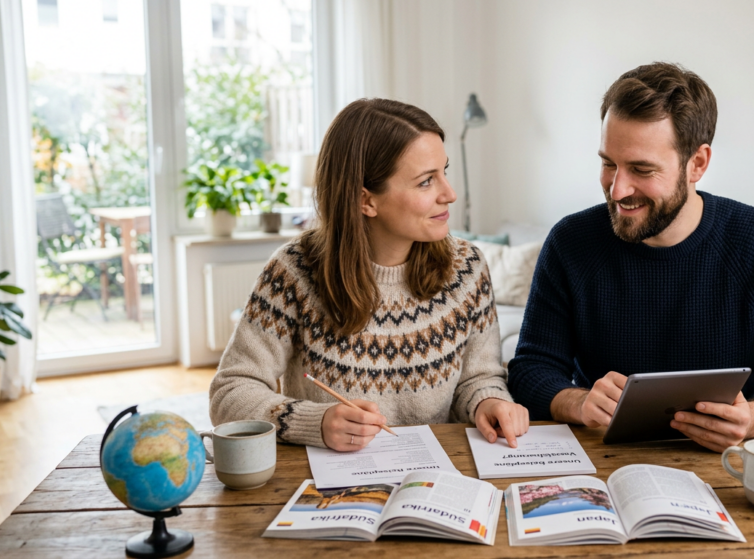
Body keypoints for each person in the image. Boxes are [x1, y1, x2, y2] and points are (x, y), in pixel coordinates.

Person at [507, 62, 754, 452]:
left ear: (697, 164)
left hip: (721, 468)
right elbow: (530, 370)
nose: (618, 189)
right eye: (608, 164)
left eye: (641, 169)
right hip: (598, 459)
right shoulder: (570, 242)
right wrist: (579, 401)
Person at [210, 99, 529, 451]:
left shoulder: (468, 269)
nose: (449, 194)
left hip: (436, 482)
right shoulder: (293, 272)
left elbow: (480, 378)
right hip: (328, 487)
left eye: (444, 172)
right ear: (366, 201)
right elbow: (230, 393)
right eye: (426, 182)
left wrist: (489, 401)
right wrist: (314, 422)